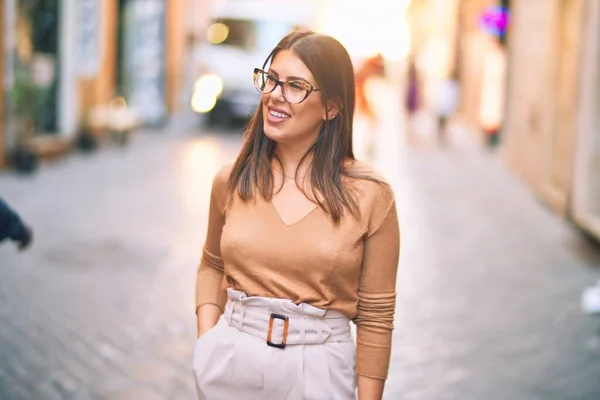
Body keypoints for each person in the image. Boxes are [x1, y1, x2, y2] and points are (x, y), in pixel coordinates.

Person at [193, 30, 400, 400]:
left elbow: (375, 316)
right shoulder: (232, 180)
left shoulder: (370, 195)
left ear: (331, 107)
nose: (275, 93)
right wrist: (207, 340)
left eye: (295, 85)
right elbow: (211, 265)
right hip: (230, 364)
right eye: (271, 79)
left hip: (320, 370)